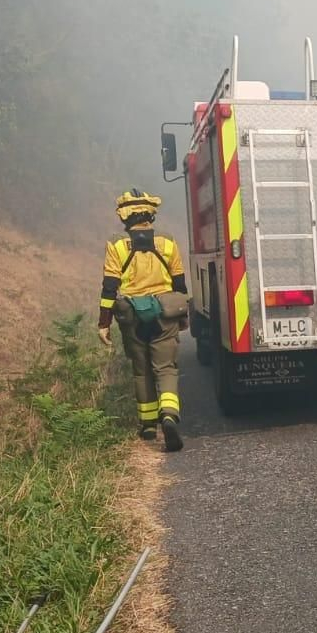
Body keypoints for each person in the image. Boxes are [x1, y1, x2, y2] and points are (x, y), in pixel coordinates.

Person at [99, 188, 188, 452]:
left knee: (142, 370)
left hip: (132, 318)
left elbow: (109, 287)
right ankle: (169, 416)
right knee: (166, 368)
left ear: (124, 216)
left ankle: (148, 426)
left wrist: (104, 323)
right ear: (151, 213)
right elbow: (179, 283)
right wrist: (183, 317)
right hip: (165, 313)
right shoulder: (168, 242)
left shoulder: (116, 245)